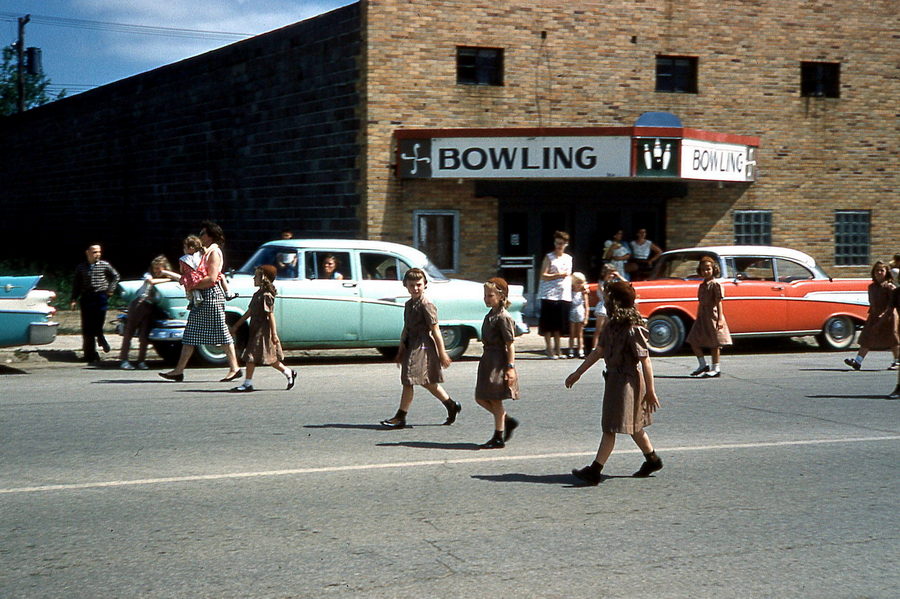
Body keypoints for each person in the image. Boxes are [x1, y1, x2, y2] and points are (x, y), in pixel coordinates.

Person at [565, 281, 662, 485]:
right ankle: (652, 459)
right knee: (634, 426)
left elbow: (645, 361)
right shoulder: (611, 326)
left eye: (607, 297)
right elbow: (598, 351)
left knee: (611, 427)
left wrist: (651, 391)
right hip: (613, 380)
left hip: (628, 382)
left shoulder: (633, 329)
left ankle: (595, 470)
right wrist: (578, 372)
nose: (604, 300)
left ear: (616, 301)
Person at [159, 221, 242, 383]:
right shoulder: (205, 252)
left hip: (211, 295)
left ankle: (235, 368)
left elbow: (212, 278)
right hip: (204, 297)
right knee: (191, 334)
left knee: (221, 332)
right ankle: (179, 370)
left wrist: (192, 284)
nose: (200, 236)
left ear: (210, 236)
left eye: (203, 233)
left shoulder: (214, 252)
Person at [380, 268, 461, 429]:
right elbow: (406, 328)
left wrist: (442, 353)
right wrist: (401, 349)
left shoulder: (426, 304)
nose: (415, 288)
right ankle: (451, 405)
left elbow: (436, 330)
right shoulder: (409, 304)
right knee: (426, 381)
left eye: (419, 285)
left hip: (423, 345)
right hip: (411, 344)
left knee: (409, 380)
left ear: (425, 285)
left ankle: (400, 417)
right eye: (411, 285)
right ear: (406, 286)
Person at [228, 265, 297, 392]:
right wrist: (237, 325)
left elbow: (270, 315)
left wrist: (274, 334)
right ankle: (288, 372)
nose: (254, 278)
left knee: (251, 356)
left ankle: (247, 383)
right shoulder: (257, 294)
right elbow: (249, 311)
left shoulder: (266, 295)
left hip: (263, 331)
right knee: (269, 357)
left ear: (263, 278)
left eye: (256, 276)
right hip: (255, 329)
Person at [475, 277, 520, 449]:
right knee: (480, 397)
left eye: (490, 295)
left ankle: (498, 436)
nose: (487, 299)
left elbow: (510, 344)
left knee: (495, 399)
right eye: (485, 295)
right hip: (488, 358)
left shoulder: (503, 317)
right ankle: (507, 420)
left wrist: (510, 367)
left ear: (501, 296)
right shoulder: (491, 315)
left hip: (498, 360)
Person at [119, 255, 179, 370]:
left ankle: (141, 361)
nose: (157, 271)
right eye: (155, 268)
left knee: (144, 335)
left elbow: (180, 278)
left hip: (151, 307)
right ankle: (124, 360)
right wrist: (167, 278)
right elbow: (150, 281)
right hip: (139, 304)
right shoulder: (149, 275)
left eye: (160, 268)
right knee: (129, 332)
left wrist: (167, 273)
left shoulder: (167, 275)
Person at [844, 261, 899, 371]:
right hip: (874, 315)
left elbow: (892, 304)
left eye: (881, 270)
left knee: (893, 339)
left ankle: (897, 361)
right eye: (876, 270)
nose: (879, 273)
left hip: (889, 316)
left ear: (886, 272)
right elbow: (872, 302)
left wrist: (885, 314)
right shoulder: (872, 287)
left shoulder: (889, 287)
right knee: (866, 338)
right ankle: (858, 361)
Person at [71, 244, 120, 364]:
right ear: (87, 253)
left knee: (98, 322)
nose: (97, 254)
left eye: (99, 252)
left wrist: (110, 289)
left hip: (100, 296)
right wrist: (73, 299)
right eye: (94, 252)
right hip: (87, 297)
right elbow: (77, 283)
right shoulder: (81, 267)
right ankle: (89, 354)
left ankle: (100, 337)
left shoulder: (104, 265)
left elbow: (115, 276)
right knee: (87, 327)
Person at [686, 256, 732, 378]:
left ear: (713, 269)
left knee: (714, 343)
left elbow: (718, 302)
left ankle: (716, 368)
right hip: (702, 316)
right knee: (693, 340)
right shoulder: (702, 285)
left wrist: (720, 318)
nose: (705, 272)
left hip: (713, 315)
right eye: (703, 270)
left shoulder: (715, 285)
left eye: (708, 269)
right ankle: (702, 364)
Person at [538, 230, 573, 359]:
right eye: (558, 243)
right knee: (548, 324)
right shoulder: (549, 257)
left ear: (566, 244)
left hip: (563, 294)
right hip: (549, 294)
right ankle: (549, 349)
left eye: (562, 243)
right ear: (554, 243)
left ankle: (558, 349)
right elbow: (543, 275)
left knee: (558, 324)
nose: (559, 246)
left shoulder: (569, 259)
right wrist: (558, 275)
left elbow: (570, 276)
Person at [591, 264, 624, 351]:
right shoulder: (601, 283)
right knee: (599, 329)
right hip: (603, 305)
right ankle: (594, 348)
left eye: (613, 273)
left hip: (611, 306)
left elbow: (627, 284)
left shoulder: (614, 282)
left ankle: (607, 348)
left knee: (608, 329)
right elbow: (605, 295)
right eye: (610, 273)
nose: (611, 275)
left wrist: (619, 276)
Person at [179, 235, 206, 308]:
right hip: (199, 276)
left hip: (189, 277)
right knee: (195, 287)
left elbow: (181, 270)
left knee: (189, 289)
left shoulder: (183, 259)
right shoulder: (200, 255)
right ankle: (197, 297)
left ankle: (192, 300)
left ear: (190, 248)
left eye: (185, 247)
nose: (184, 249)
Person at [568, 272, 590, 359]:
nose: (579, 285)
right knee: (572, 333)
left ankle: (580, 350)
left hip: (580, 311)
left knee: (580, 334)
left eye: (581, 283)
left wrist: (586, 317)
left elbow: (587, 306)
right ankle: (571, 350)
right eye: (577, 282)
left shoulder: (583, 293)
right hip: (572, 311)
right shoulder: (570, 292)